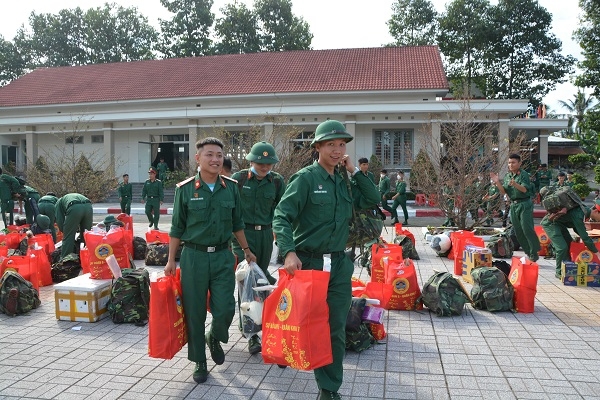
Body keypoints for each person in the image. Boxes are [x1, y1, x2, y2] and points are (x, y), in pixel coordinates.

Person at [272, 120, 380, 400]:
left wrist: (353, 170)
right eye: (330, 144)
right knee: (302, 320)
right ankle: (286, 352)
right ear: (317, 146)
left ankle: (329, 388)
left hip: (340, 265)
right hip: (308, 264)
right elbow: (281, 216)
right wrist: (289, 251)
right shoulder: (306, 178)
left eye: (341, 144)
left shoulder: (345, 180)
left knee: (334, 327)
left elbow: (372, 198)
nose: (337, 149)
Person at [164, 137, 256, 385]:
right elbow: (176, 228)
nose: (215, 159)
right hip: (193, 257)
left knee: (225, 307)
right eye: (209, 155)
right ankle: (199, 361)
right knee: (194, 311)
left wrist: (246, 249)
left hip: (223, 257)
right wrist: (171, 259)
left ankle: (213, 336)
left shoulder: (231, 187)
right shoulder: (185, 190)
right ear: (198, 158)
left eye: (218, 155)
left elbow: (237, 223)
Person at [231, 141, 286, 355]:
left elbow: (282, 211)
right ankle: (252, 333)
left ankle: (252, 319)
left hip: (265, 234)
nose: (264, 167)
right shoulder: (239, 179)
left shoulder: (277, 181)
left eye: (269, 163)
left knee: (260, 282)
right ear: (251, 161)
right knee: (246, 281)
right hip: (242, 234)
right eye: (260, 163)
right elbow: (231, 212)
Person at [490, 153, 540, 261]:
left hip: (524, 204)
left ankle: (534, 252)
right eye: (509, 163)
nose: (510, 165)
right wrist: (497, 182)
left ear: (519, 163)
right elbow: (503, 191)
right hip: (513, 205)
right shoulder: (508, 176)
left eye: (513, 162)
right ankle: (528, 252)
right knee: (518, 231)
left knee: (527, 229)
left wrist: (515, 184)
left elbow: (525, 190)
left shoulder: (523, 174)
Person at [541, 200, 600, 279]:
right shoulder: (580, 214)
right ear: (596, 211)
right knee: (562, 248)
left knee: (570, 244)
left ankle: (567, 268)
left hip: (559, 224)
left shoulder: (583, 211)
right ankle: (559, 272)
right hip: (550, 224)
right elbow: (584, 236)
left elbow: (577, 229)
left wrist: (587, 238)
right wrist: (596, 252)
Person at [55, 193, 93, 259]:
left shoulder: (58, 203)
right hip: (88, 206)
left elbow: (60, 220)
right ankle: (88, 257)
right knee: (86, 234)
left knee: (69, 236)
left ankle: (66, 259)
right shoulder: (68, 197)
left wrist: (65, 231)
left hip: (74, 207)